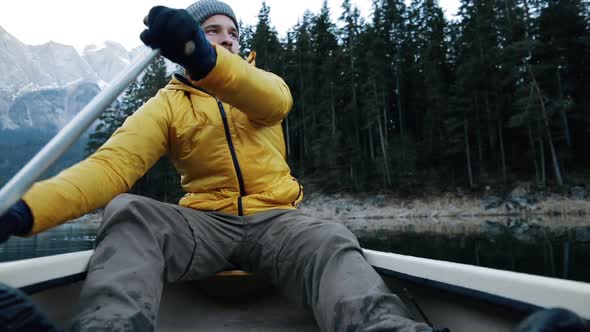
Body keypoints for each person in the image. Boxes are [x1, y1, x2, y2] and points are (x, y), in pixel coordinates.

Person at [0, 1, 586, 332]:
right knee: (129, 211)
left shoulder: (260, 85)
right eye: (210, 33)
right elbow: (109, 170)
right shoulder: (167, 105)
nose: (223, 41)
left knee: (328, 237)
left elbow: (272, 102)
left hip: (278, 224)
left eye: (230, 34)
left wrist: (206, 60)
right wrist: (24, 212)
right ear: (177, 50)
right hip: (201, 226)